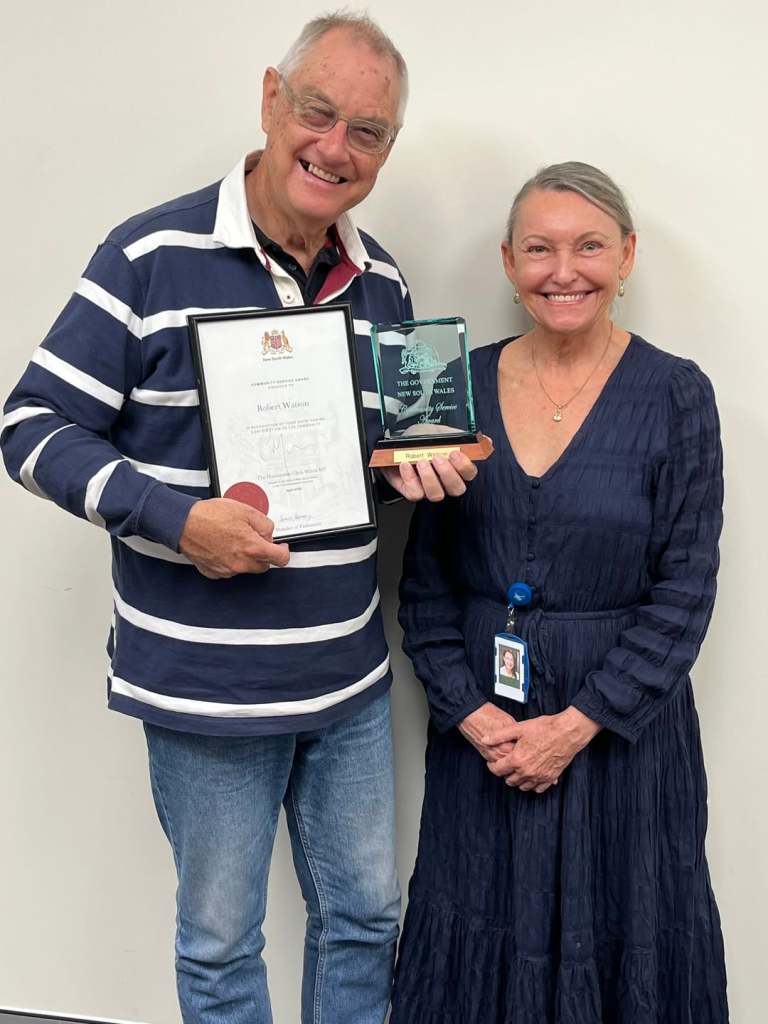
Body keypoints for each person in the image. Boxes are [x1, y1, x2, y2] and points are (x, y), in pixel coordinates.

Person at [0, 13, 477, 1024]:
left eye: (369, 132)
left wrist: (414, 472)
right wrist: (176, 518)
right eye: (318, 112)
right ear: (270, 100)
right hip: (206, 688)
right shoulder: (148, 253)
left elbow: (365, 474)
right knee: (221, 944)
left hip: (345, 679)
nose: (335, 148)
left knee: (363, 921)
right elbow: (32, 427)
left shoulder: (382, 282)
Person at [390, 162, 728, 1022]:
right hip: (485, 736)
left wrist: (577, 726)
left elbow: (685, 590)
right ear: (508, 262)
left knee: (625, 929)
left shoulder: (677, 394)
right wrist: (470, 714)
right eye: (539, 248)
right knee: (480, 926)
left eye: (589, 247)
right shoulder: (450, 381)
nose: (563, 270)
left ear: (628, 256)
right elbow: (423, 580)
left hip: (620, 738)